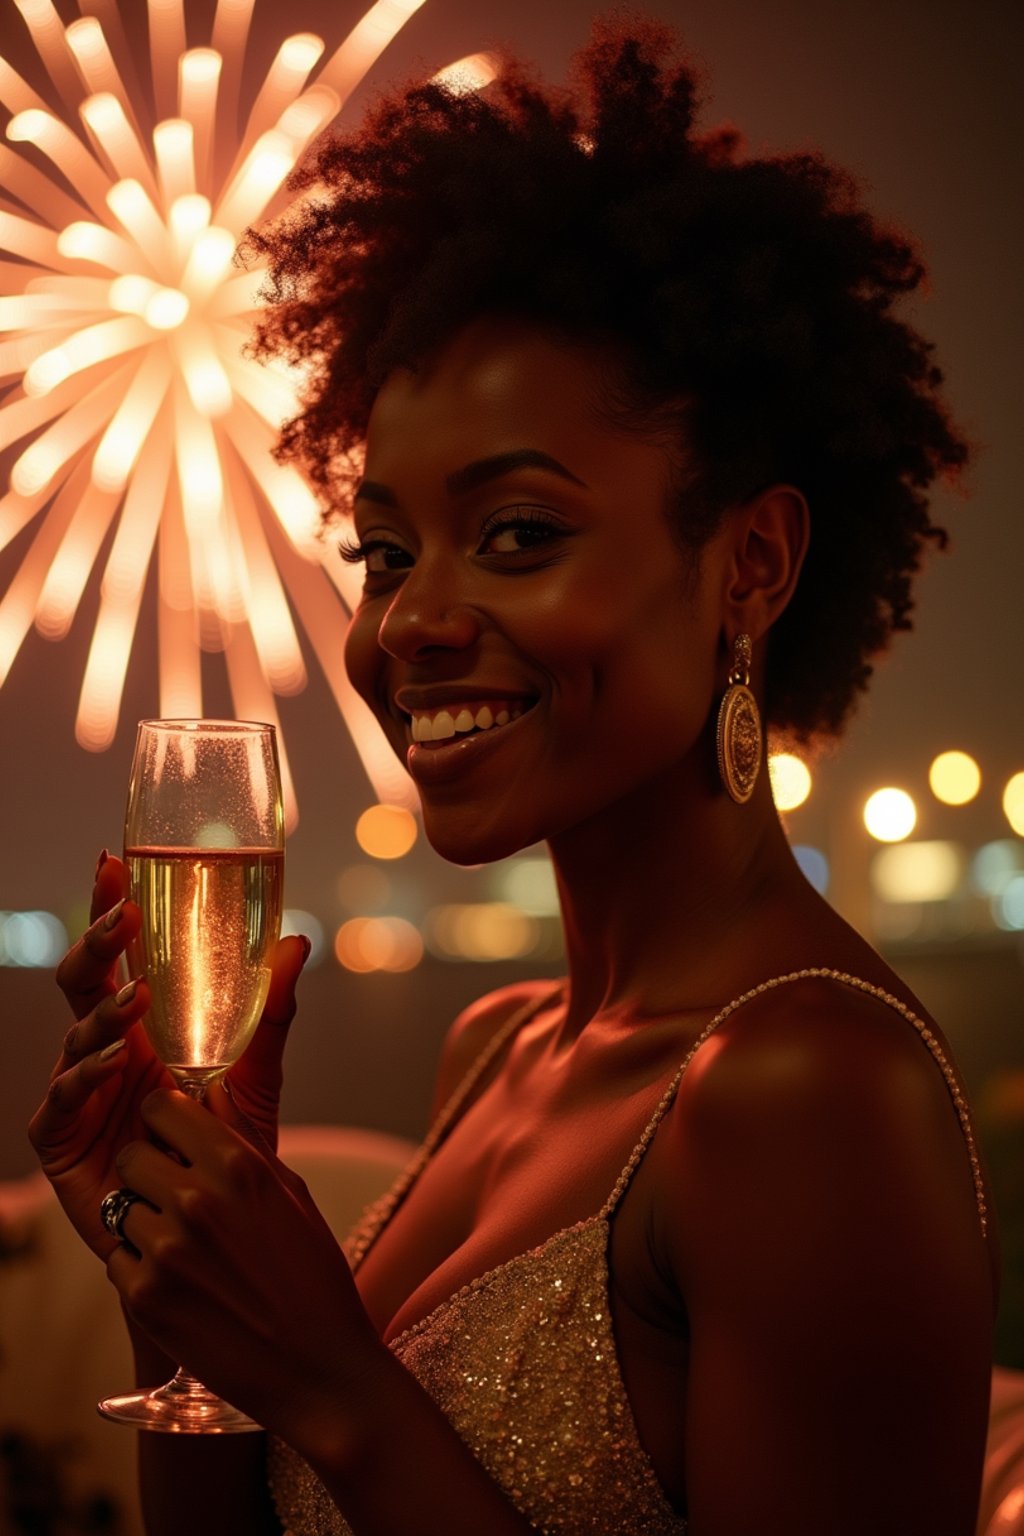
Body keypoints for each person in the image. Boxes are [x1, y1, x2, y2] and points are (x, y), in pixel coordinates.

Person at [29, 19, 996, 1536]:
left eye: (521, 535)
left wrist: (338, 1378)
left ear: (750, 562)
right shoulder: (494, 1048)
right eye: (386, 552)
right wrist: (191, 1293)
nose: (408, 624)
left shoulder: (808, 1091)